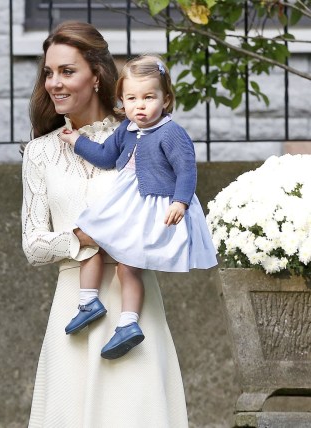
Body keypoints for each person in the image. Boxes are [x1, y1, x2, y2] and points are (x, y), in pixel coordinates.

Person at [21, 21, 188, 427]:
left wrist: (134, 230)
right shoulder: (40, 153)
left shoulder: (143, 134)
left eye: (67, 71)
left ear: (96, 76)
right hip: (74, 303)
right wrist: (82, 237)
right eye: (48, 73)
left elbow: (170, 208)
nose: (54, 84)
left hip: (133, 302)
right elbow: (32, 244)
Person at [58, 54, 217, 359]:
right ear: (122, 99)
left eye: (148, 97)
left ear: (166, 99)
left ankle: (128, 322)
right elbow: (105, 156)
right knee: (87, 236)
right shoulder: (127, 129)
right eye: (131, 98)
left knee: (128, 265)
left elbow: (187, 170)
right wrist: (77, 140)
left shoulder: (171, 133)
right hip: (125, 202)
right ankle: (89, 302)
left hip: (152, 206)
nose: (139, 106)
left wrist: (180, 202)